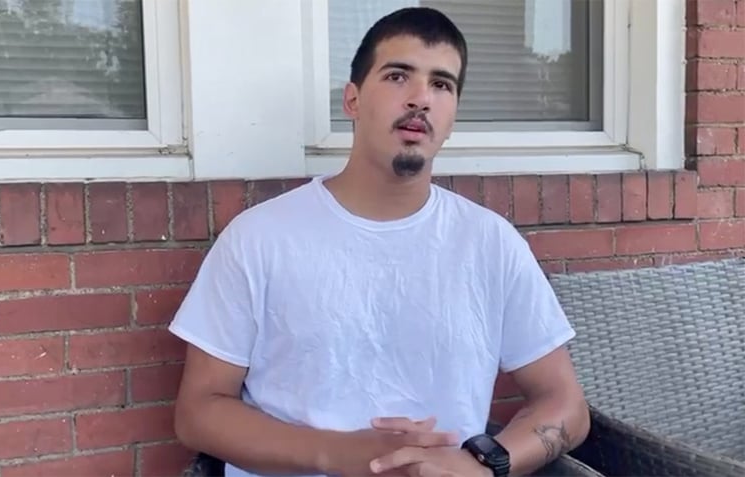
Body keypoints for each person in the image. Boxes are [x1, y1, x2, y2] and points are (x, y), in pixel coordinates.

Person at [169, 7, 590, 477]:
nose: (420, 99)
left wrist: (484, 466)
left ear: (453, 115)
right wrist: (333, 453)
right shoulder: (260, 238)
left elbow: (566, 404)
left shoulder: (490, 243)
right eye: (397, 76)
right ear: (352, 100)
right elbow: (198, 412)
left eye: (441, 84)